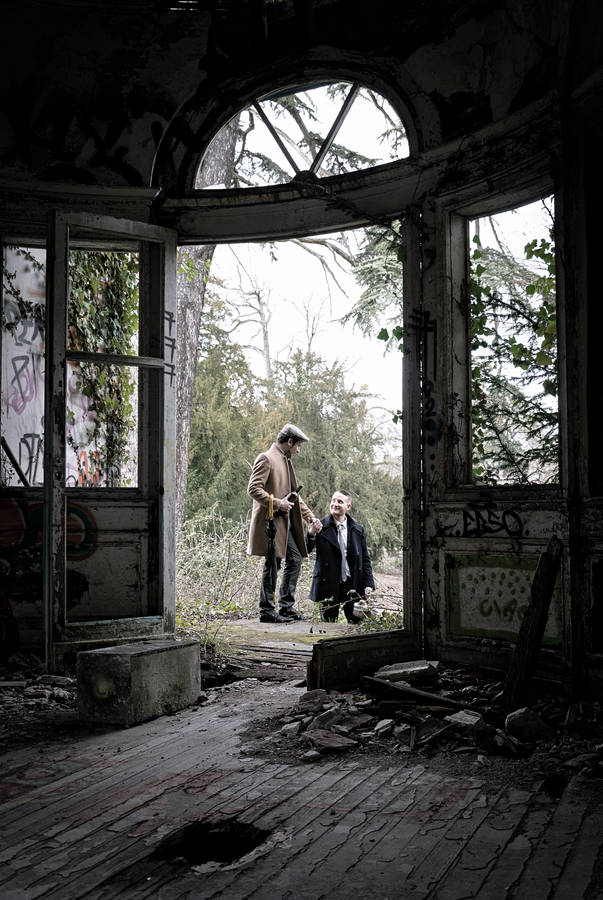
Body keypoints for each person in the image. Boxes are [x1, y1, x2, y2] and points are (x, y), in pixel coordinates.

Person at [247, 424, 322, 623]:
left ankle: (286, 608)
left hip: (284, 524)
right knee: (272, 563)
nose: (299, 450)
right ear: (290, 442)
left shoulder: (285, 461)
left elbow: (294, 496)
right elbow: (253, 489)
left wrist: (310, 518)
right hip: (270, 523)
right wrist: (277, 503)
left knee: (295, 558)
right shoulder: (266, 458)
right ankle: (266, 611)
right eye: (298, 446)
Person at [307, 489, 375, 623]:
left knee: (356, 625)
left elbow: (365, 559)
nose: (335, 504)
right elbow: (306, 549)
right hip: (328, 584)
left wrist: (368, 584)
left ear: (348, 507)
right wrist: (311, 533)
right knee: (327, 626)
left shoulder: (358, 529)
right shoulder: (320, 526)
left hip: (352, 585)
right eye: (333, 500)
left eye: (340, 501)